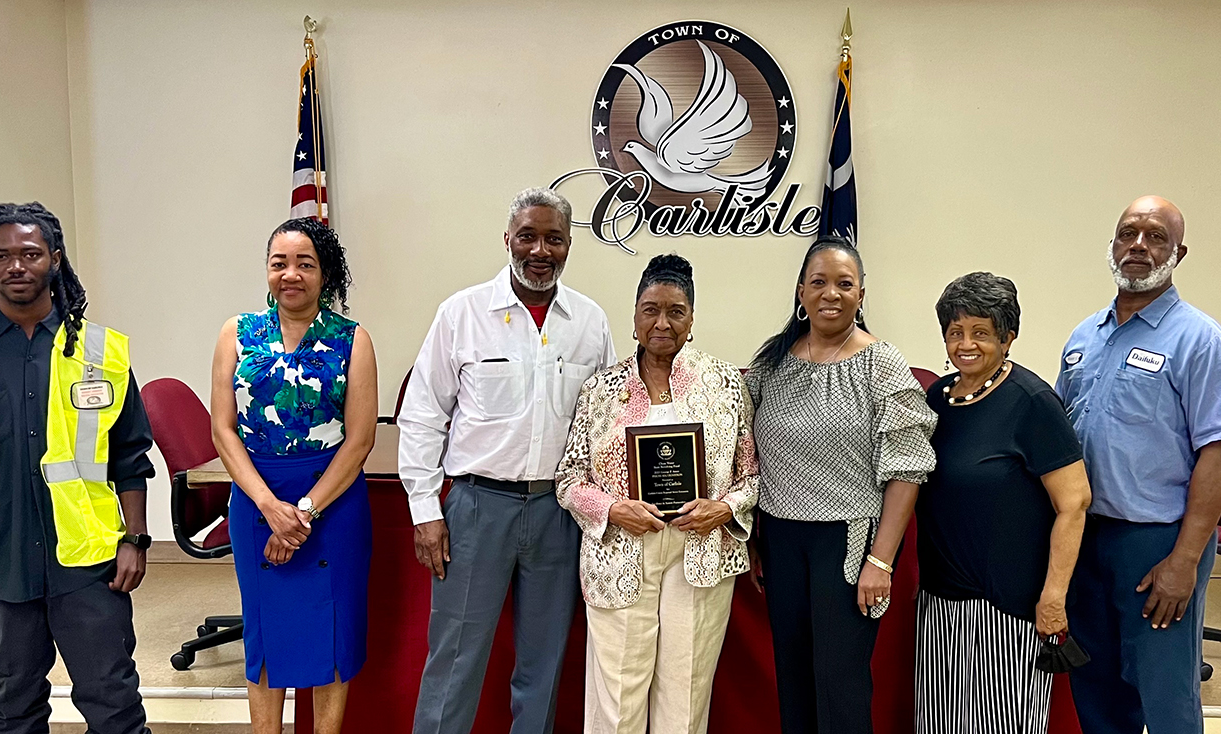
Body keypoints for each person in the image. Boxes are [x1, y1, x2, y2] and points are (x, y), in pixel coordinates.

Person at [0, 202, 156, 734]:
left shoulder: (101, 351)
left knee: (113, 702)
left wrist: (134, 539)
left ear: (55, 258)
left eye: (29, 253)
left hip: (88, 562)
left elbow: (130, 456)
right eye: (1, 255)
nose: (15, 266)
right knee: (11, 706)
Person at [400, 187, 616, 734]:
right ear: (507, 240)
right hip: (476, 508)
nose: (540, 250)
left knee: (543, 664)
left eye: (554, 239)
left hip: (558, 513)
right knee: (455, 659)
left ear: (569, 246)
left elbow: (610, 421)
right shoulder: (462, 313)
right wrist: (425, 509)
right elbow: (423, 413)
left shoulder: (590, 323)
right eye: (528, 236)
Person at [1057, 196, 1221, 734]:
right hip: (1087, 539)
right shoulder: (1083, 337)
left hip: (1158, 542)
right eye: (1127, 233)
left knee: (1164, 691)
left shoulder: (1199, 340)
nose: (1139, 246)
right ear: (1113, 245)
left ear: (1178, 253)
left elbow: (1220, 451)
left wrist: (1184, 560)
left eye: (1156, 236)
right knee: (1094, 689)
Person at [555, 254, 758, 734]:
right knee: (616, 700)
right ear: (634, 317)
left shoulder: (727, 384)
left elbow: (751, 476)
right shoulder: (602, 389)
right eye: (650, 310)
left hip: (701, 552)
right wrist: (612, 508)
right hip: (620, 554)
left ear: (692, 319)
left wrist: (723, 507)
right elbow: (569, 479)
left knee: (685, 696)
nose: (662, 323)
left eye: (676, 311)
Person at [747, 235, 936, 734]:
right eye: (819, 283)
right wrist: (752, 541)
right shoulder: (772, 364)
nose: (831, 294)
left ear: (861, 294)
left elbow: (907, 468)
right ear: (801, 292)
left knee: (840, 680)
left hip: (849, 542)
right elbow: (746, 453)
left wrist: (881, 560)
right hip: (782, 540)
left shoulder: (882, 364)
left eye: (844, 284)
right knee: (793, 675)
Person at [209, 218, 378, 734]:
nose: (291, 274)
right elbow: (221, 429)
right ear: (267, 270)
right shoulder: (236, 333)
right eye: (279, 262)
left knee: (333, 631)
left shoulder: (353, 340)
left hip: (333, 503)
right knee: (265, 631)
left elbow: (360, 440)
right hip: (257, 502)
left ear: (325, 273)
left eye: (305, 263)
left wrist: (303, 513)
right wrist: (269, 507)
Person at [914, 272, 1092, 734]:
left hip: (1009, 609)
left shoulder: (1032, 402)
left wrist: (1054, 597)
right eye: (955, 332)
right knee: (939, 724)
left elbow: (1074, 504)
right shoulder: (937, 398)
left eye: (981, 332)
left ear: (1008, 336)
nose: (965, 344)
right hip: (941, 601)